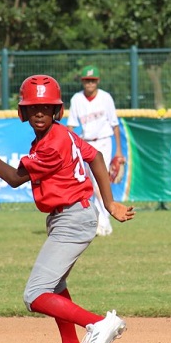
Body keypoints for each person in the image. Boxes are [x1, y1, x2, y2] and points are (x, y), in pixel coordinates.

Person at [0, 74, 136, 343]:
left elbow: (14, 178)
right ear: (23, 112)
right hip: (71, 215)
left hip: (73, 218)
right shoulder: (63, 134)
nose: (40, 112)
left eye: (46, 107)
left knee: (35, 294)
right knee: (55, 285)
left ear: (57, 111)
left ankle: (99, 324)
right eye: (33, 107)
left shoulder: (51, 144)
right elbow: (97, 156)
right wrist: (109, 202)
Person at [67, 65, 124, 237]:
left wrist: (119, 152)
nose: (89, 83)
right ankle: (100, 222)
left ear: (97, 81)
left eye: (92, 80)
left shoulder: (106, 98)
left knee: (100, 182)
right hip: (86, 143)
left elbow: (115, 125)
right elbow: (70, 127)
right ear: (82, 82)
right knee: (92, 183)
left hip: (104, 142)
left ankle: (104, 223)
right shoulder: (77, 99)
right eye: (86, 80)